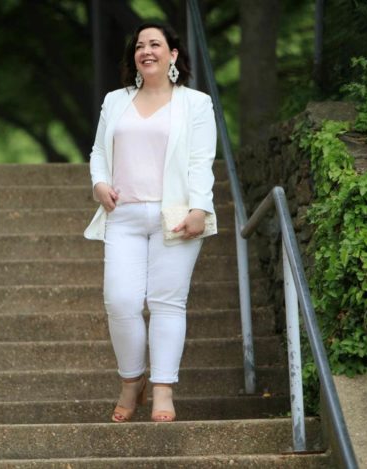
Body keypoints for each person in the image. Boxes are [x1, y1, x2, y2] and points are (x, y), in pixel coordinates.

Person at [84, 21, 217, 423]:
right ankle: (131, 381)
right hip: (122, 215)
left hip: (175, 215)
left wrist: (200, 207)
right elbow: (98, 151)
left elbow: (200, 161)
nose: (147, 51)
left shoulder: (195, 103)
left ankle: (162, 389)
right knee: (121, 302)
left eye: (156, 44)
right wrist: (99, 183)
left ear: (172, 54)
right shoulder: (115, 100)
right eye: (140, 45)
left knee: (166, 303)